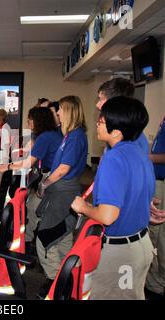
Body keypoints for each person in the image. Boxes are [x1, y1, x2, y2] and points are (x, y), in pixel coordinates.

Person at [71, 97, 155, 300]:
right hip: (141, 244)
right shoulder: (139, 151)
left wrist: (83, 207)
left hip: (121, 252)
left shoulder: (113, 158)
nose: (98, 123)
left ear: (116, 131)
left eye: (101, 120)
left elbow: (108, 216)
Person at [35, 95, 88, 298]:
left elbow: (63, 169)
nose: (57, 113)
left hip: (63, 191)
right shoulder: (70, 135)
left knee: (45, 236)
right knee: (63, 237)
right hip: (63, 191)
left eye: (60, 110)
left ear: (69, 112)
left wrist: (43, 184)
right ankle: (67, 280)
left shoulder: (75, 137)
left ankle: (55, 281)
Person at [0, 107, 63, 247]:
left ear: (38, 121)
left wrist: (7, 167)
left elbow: (28, 163)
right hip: (51, 177)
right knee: (31, 206)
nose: (29, 124)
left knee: (32, 210)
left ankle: (25, 244)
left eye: (30, 121)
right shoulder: (50, 134)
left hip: (51, 178)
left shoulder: (45, 137)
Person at [96, 77, 148, 154]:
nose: (97, 105)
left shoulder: (133, 140)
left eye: (101, 99)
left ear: (115, 102)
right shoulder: (117, 131)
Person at [145, 114, 165, 299]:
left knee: (158, 235)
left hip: (162, 183)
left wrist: (146, 156)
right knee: (154, 235)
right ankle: (153, 282)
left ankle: (158, 284)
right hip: (157, 181)